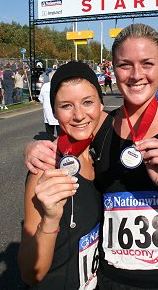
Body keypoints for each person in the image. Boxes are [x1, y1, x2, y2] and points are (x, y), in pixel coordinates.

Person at [24, 24, 158, 289]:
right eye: (125, 65)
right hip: (113, 281)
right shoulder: (101, 126)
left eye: (147, 63)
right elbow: (73, 126)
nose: (136, 75)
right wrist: (35, 147)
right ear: (113, 69)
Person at [18, 61, 106, 289]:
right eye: (66, 106)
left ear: (101, 105)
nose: (79, 115)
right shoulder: (45, 169)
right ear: (54, 112)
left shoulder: (100, 152)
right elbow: (30, 273)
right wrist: (50, 219)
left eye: (87, 102)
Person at [38, 71, 61, 140]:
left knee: (49, 131)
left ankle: (51, 143)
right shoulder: (59, 85)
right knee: (60, 131)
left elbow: (41, 98)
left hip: (48, 110)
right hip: (56, 110)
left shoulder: (45, 86)